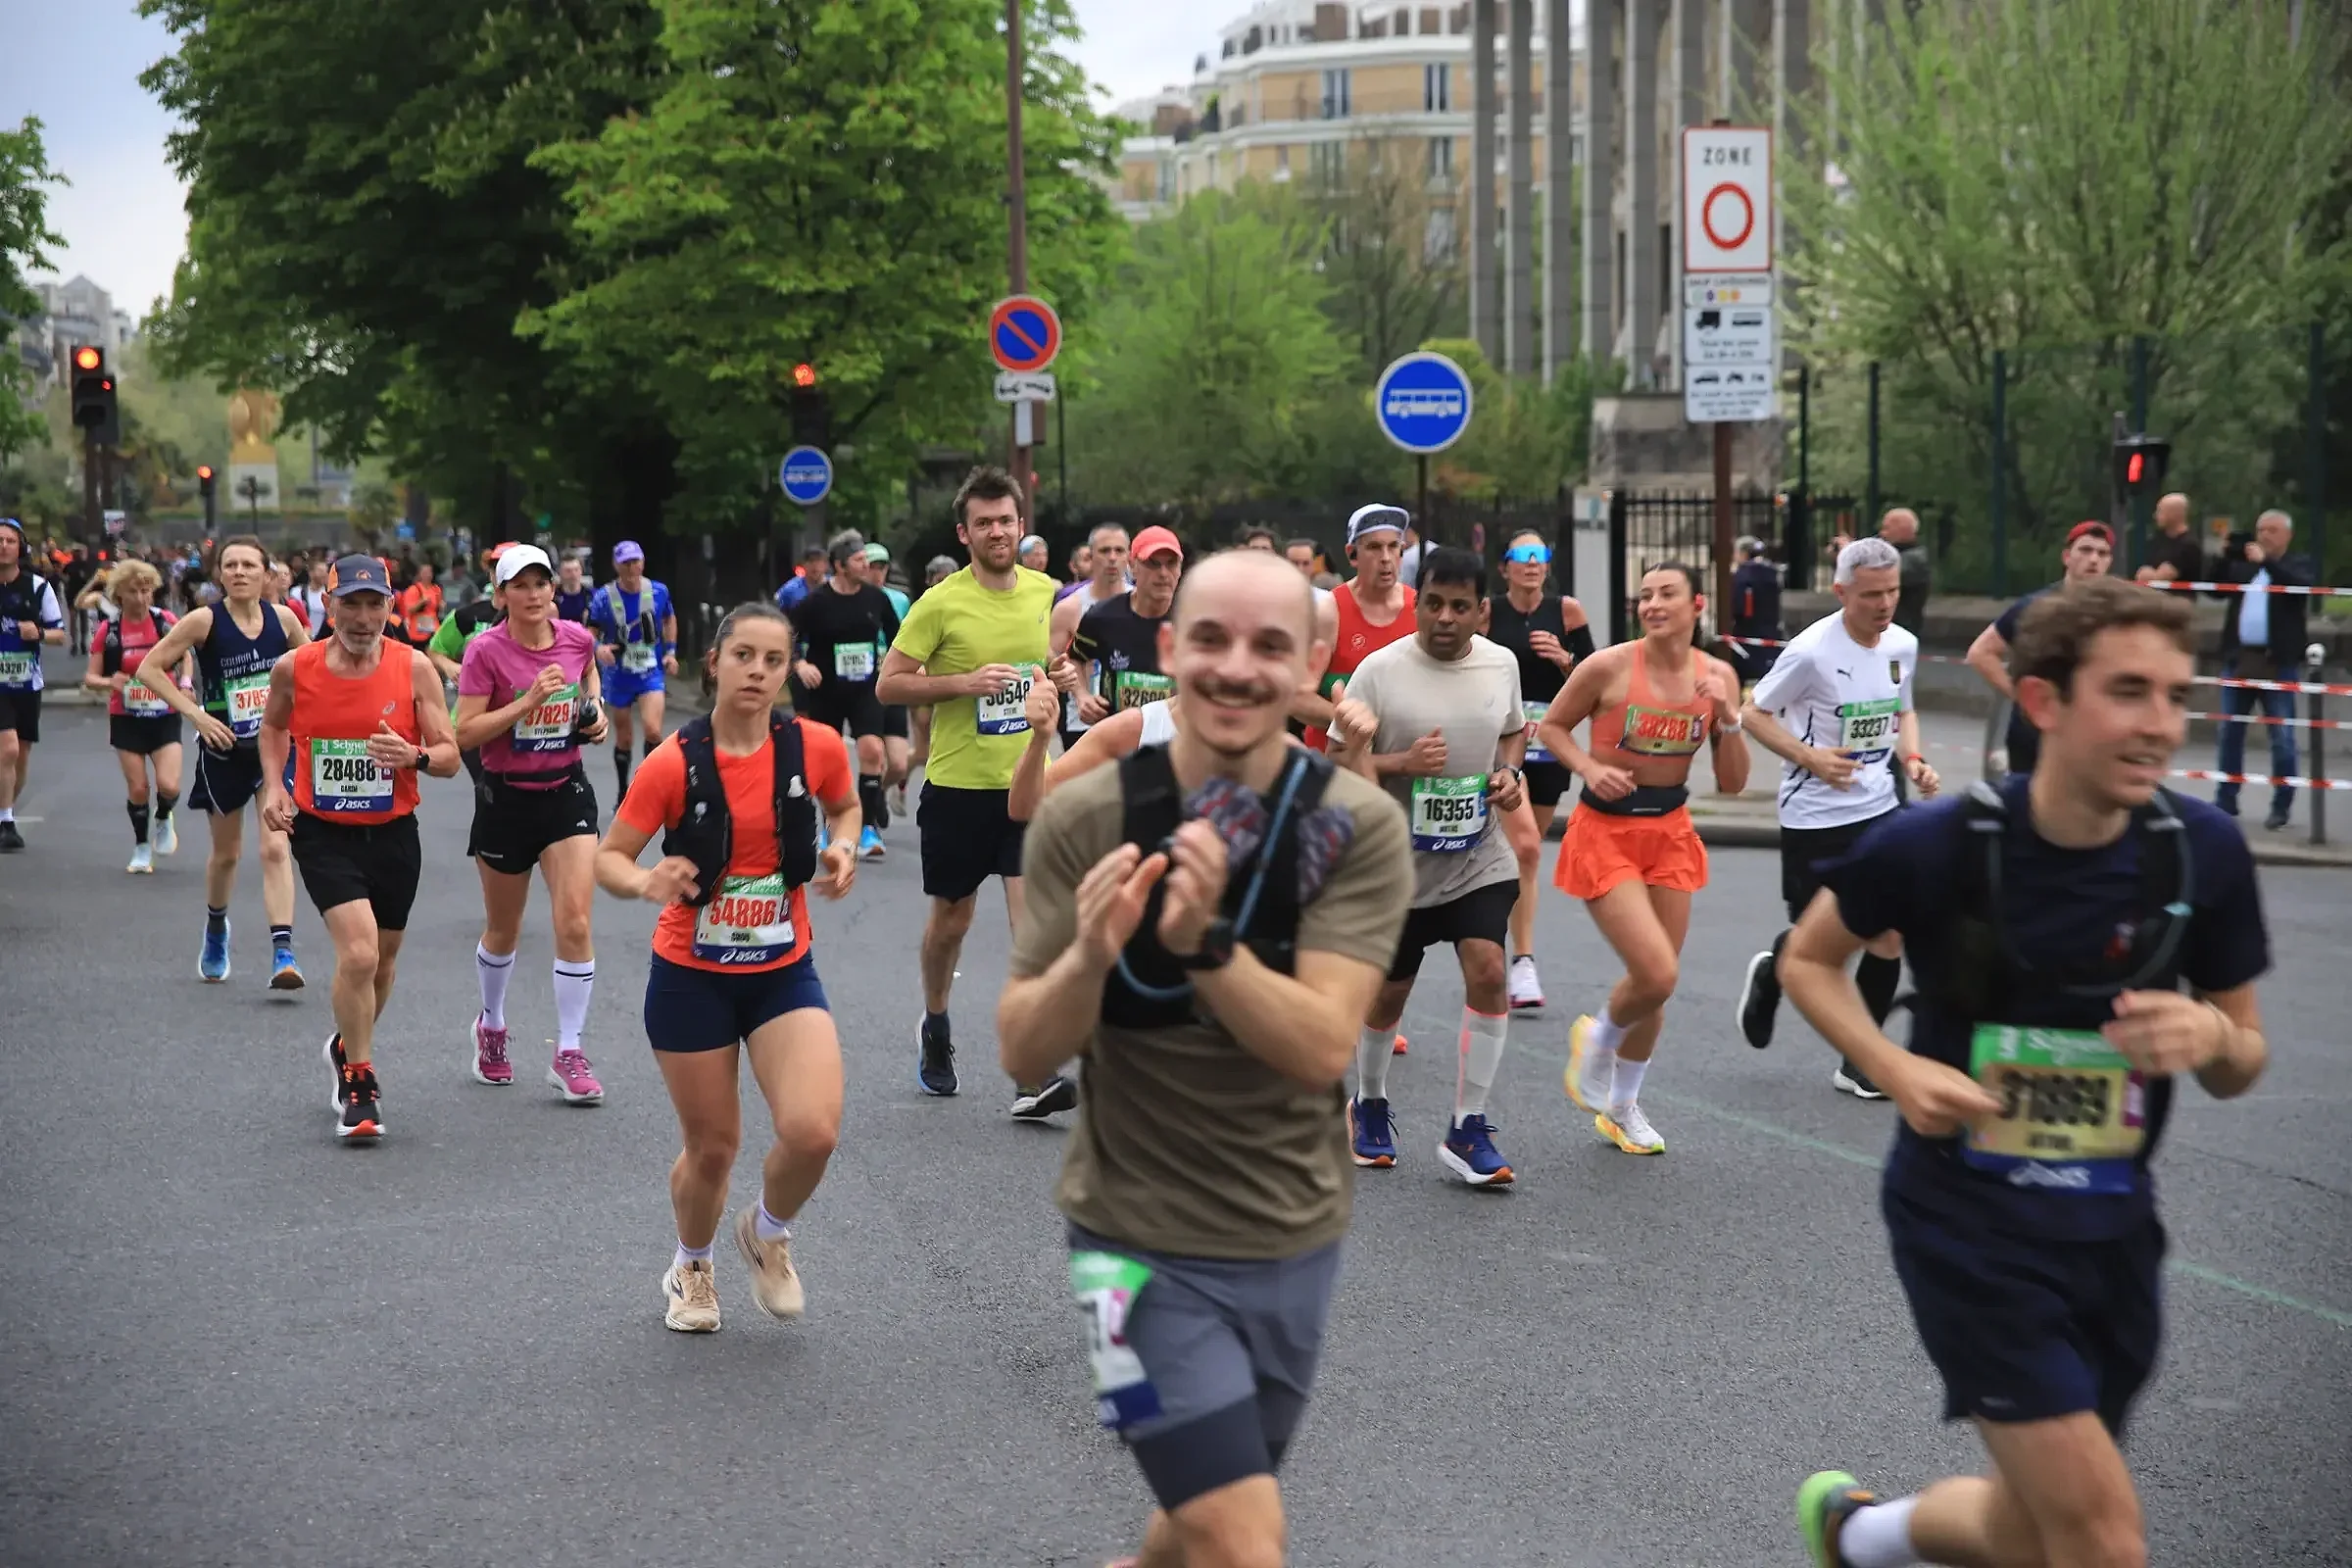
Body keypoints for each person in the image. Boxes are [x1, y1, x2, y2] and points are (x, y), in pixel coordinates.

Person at [1781, 576, 2271, 1568]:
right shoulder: (1941, 843)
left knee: (2034, 1525)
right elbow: (1807, 958)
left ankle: (1861, 1535)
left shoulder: (2203, 853)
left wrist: (2213, 1038)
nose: (2160, 723)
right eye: (2128, 691)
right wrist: (1893, 1067)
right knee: (2102, 1538)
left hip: (2112, 1231)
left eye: (2176, 696)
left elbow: (2244, 1056)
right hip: (1969, 1224)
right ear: (2043, 701)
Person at [996, 548, 1410, 1568]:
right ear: (1170, 648)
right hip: (1129, 1248)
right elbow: (1021, 1049)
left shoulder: (1354, 825)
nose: (1236, 667)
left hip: (1293, 1234)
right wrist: (1094, 954)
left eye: (1271, 646)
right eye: (1212, 639)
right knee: (1241, 1539)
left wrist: (1205, 948)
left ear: (1313, 662)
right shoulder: (1088, 816)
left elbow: (1321, 1048)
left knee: (1199, 1521)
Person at [599, 602, 859, 1332]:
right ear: (714, 662)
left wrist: (841, 848)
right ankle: (692, 1264)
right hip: (692, 975)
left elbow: (845, 808)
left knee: (814, 1131)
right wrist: (645, 879)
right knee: (713, 1148)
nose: (758, 671)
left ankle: (768, 1233)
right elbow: (608, 859)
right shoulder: (673, 763)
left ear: (787, 670)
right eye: (744, 655)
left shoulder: (815, 746)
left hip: (782, 969)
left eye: (773, 660)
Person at [1325, 547, 1526, 1183]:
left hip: (1476, 853)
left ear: (1481, 611)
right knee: (1389, 993)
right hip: (1396, 862)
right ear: (1420, 602)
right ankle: (1372, 1100)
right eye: (1433, 603)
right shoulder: (1379, 671)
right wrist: (1399, 764)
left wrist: (1509, 773)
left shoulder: (1502, 664)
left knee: (1490, 968)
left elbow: (1514, 731)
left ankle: (1469, 1126)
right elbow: (1334, 762)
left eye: (1459, 606)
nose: (1444, 617)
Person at [876, 466, 1072, 1116]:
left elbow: (1041, 666)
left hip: (1027, 782)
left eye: (1006, 520)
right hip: (959, 786)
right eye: (983, 522)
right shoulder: (940, 603)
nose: (996, 531)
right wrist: (962, 683)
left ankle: (1030, 1070)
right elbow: (889, 684)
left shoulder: (1044, 590)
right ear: (964, 533)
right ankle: (935, 1022)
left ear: (1022, 526)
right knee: (951, 923)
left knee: (1032, 925)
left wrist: (1058, 675)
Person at [1539, 562, 1748, 1155]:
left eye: (1667, 595)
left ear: (1697, 605)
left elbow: (1733, 784)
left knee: (1656, 986)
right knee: (1656, 972)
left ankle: (1622, 1109)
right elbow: (1551, 728)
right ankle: (1599, 1039)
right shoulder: (1606, 667)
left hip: (1671, 832)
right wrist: (1588, 767)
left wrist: (1729, 719)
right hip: (1605, 832)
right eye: (1645, 596)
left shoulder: (1719, 676)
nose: (1652, 604)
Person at [258, 556, 463, 1141]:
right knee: (360, 955)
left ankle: (347, 1043)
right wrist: (275, 785)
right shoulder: (295, 668)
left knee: (384, 960)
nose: (364, 616)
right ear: (329, 605)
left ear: (391, 608)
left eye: (375, 604)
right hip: (323, 831)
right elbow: (273, 728)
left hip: (394, 833)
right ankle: (360, 1081)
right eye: (351, 603)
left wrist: (415, 756)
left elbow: (449, 755)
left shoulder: (413, 667)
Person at [1733, 537, 1940, 1099]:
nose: (1884, 604)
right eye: (1871, 594)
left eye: (1892, 591)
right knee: (1818, 940)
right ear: (1841, 590)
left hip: (1879, 806)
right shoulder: (1810, 653)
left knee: (1888, 932)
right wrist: (1811, 758)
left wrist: (1914, 759)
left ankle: (1858, 1059)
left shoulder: (1902, 644)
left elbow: (1903, 709)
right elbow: (1751, 714)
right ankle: (1773, 969)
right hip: (1815, 814)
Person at [456, 546, 612, 1101]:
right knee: (504, 929)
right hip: (505, 798)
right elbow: (464, 734)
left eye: (541, 583)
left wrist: (594, 715)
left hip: (565, 792)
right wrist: (526, 703)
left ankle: (569, 1049)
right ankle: (491, 1025)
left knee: (574, 921)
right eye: (519, 585)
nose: (534, 594)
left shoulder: (576, 638)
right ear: (501, 597)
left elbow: (588, 677)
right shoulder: (484, 652)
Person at [134, 535, 313, 983]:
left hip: (274, 749)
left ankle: (283, 953)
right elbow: (150, 669)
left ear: (266, 573)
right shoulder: (203, 622)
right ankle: (216, 925)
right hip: (224, 750)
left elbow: (312, 669)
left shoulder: (285, 620)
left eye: (248, 565)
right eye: (230, 565)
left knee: (276, 847)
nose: (239, 572)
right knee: (227, 855)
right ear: (219, 574)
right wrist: (196, 714)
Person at [1481, 529, 1594, 1010]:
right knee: (1525, 846)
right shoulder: (1490, 611)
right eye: (1521, 556)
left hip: (1548, 747)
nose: (1532, 564)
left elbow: (1594, 677)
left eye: (1540, 555)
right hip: (1503, 743)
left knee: (1522, 855)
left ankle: (1500, 944)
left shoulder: (1567, 612)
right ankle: (1522, 961)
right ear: (1505, 566)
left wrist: (1566, 660)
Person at [1966, 520, 2114, 776]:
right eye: (2086, 550)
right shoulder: (2036, 606)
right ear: (2067, 557)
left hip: (2088, 729)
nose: (2094, 559)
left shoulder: (2113, 611)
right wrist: (2020, 695)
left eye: (2102, 554)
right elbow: (1981, 653)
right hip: (2036, 735)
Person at [790, 529, 903, 859]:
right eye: (858, 560)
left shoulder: (875, 598)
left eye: (865, 559)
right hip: (825, 691)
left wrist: (895, 664)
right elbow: (788, 635)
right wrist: (799, 664)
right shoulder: (816, 602)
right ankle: (829, 826)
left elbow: (899, 636)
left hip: (865, 688)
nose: (865, 564)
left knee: (872, 750)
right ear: (839, 566)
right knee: (830, 759)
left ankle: (866, 828)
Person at [85, 560, 193, 873]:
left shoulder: (165, 622)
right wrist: (110, 682)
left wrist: (185, 683)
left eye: (147, 590)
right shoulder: (110, 630)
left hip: (165, 712)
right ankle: (141, 847)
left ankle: (163, 817)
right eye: (134, 591)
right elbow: (91, 678)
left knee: (169, 785)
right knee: (138, 788)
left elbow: (185, 655)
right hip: (127, 716)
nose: (142, 597)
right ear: (120, 594)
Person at [2211, 509, 2313, 831]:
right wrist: (2222, 556)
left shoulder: (2297, 563)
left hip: (2277, 662)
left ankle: (2281, 804)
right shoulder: (2245, 566)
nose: (2265, 535)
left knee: (2281, 736)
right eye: (2260, 529)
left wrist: (2266, 563)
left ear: (2287, 535)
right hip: (2240, 659)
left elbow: (2300, 586)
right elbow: (2214, 590)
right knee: (2230, 732)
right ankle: (2226, 798)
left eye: (2272, 530)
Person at [1298, 505, 1416, 749]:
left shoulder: (1419, 608)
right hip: (1334, 763)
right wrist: (1349, 721)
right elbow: (1297, 698)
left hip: (1404, 764)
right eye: (1374, 547)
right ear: (1352, 555)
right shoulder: (1330, 611)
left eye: (1394, 546)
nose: (1386, 558)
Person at [588, 540, 677, 799]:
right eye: (625, 562)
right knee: (624, 737)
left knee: (653, 729)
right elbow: (589, 631)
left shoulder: (658, 591)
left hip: (650, 671)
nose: (631, 567)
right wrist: (598, 648)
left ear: (643, 562)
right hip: (619, 673)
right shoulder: (604, 596)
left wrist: (671, 651)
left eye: (635, 561)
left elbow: (669, 618)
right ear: (616, 565)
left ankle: (650, 787)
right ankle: (623, 790)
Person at [1069, 525, 1182, 727]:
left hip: (1175, 744)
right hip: (1117, 741)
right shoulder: (1101, 616)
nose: (1163, 573)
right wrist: (1082, 696)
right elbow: (1074, 659)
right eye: (1153, 564)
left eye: (1171, 563)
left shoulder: (1194, 620)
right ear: (1133, 566)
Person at [0, 517, 67, 851]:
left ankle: (4, 811)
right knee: (7, 747)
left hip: (26, 682)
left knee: (21, 754)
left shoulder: (38, 587)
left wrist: (38, 633)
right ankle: (7, 821)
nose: (3, 546)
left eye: (10, 540)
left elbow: (60, 634)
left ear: (20, 547)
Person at [427, 544, 514, 786]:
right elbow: (435, 650)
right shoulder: (468, 616)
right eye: (497, 567)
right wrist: (449, 666)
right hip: (472, 720)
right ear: (490, 573)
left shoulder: (536, 618)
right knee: (489, 790)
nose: (504, 572)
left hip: (518, 719)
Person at [1049, 522, 1132, 746]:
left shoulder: (1143, 604)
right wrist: (1081, 694)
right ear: (1091, 556)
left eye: (1119, 550)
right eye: (1105, 551)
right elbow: (1053, 664)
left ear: (1129, 557)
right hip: (1082, 723)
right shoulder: (1069, 609)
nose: (1112, 558)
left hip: (1133, 721)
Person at [864, 542, 916, 816]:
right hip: (864, 686)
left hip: (894, 680)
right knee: (871, 753)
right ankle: (867, 809)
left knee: (897, 764)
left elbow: (909, 639)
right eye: (873, 566)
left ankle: (878, 794)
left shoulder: (898, 600)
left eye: (882, 566)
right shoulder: (855, 598)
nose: (878, 572)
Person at [1834, 508, 1934, 637]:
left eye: (1887, 528)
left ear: (1903, 530)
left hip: (1900, 628)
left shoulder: (1916, 558)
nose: (1882, 532)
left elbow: (1876, 573)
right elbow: (1852, 578)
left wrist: (1849, 552)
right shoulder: (1899, 553)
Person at [1725, 535, 1784, 693]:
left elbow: (1738, 606)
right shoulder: (1773, 572)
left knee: (1744, 670)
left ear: (1743, 553)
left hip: (1746, 629)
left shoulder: (1742, 574)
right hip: (1771, 628)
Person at [2132, 491, 2206, 587]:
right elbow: (2141, 574)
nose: (2155, 516)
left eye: (2160, 511)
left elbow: (2160, 578)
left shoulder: (2189, 545)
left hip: (2179, 599)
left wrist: (2152, 575)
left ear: (2174, 514)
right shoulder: (2159, 541)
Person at [774, 545, 830, 615]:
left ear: (826, 565)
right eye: (811, 561)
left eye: (819, 561)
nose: (815, 565)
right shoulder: (789, 589)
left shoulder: (835, 587)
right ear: (803, 564)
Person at [293, 556, 332, 636]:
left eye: (326, 571)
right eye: (320, 571)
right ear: (311, 573)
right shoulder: (297, 592)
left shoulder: (330, 595)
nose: (324, 574)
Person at [554, 553, 593, 623]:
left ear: (581, 571)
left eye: (576, 569)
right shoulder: (553, 597)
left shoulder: (591, 596)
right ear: (560, 573)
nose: (573, 574)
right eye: (568, 571)